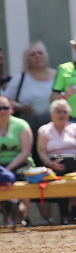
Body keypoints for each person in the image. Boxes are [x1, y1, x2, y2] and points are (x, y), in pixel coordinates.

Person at [37, 98, 76, 223]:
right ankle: (65, 216)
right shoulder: (44, 130)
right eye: (58, 111)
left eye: (64, 111)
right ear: (52, 114)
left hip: (75, 162)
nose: (61, 114)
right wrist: (50, 163)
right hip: (55, 163)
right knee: (59, 179)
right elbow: (42, 152)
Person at [2, 41, 57, 161]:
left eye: (40, 53)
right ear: (27, 60)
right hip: (29, 130)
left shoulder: (58, 76)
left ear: (46, 56)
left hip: (55, 130)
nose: (37, 56)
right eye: (33, 55)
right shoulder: (20, 78)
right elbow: (5, 100)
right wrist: (20, 107)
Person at [0, 95, 35, 225]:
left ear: (12, 109)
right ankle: (6, 215)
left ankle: (25, 215)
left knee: (23, 176)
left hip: (20, 162)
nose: (2, 111)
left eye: (5, 108)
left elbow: (25, 152)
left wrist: (7, 170)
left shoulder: (21, 125)